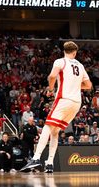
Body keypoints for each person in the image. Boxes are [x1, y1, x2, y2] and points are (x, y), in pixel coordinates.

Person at [20, 41, 92, 173]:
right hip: (76, 103)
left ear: (64, 51)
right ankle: (49, 163)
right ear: (75, 52)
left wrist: (51, 88)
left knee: (48, 126)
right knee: (55, 131)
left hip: (64, 99)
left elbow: (52, 76)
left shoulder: (60, 61)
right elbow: (88, 86)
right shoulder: (80, 66)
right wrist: (76, 86)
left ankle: (36, 158)